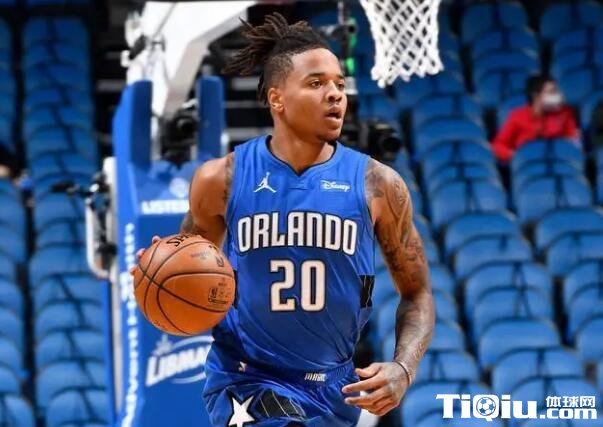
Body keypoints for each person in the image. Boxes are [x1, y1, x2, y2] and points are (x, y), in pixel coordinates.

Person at [134, 13, 434, 426]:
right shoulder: (221, 179)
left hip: (334, 387)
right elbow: (185, 264)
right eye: (317, 83)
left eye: (339, 84)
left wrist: (404, 368)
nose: (335, 95)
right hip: (246, 380)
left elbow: (417, 293)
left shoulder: (378, 184)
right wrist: (156, 274)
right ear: (277, 99)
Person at [492, 74, 580, 163]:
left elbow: (574, 141)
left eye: (557, 91)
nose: (558, 96)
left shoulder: (565, 113)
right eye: (552, 92)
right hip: (528, 164)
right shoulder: (517, 116)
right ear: (536, 96)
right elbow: (498, 146)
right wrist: (517, 156)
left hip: (558, 161)